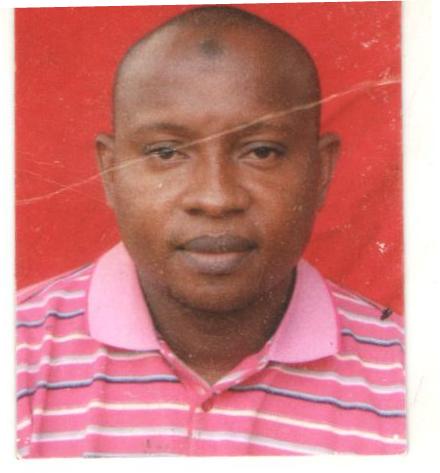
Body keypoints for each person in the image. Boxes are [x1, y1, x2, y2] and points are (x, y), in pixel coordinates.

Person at [16, 5, 405, 458]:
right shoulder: (18, 353)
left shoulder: (409, 375)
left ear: (321, 171)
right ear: (110, 172)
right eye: (166, 152)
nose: (216, 198)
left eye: (261, 152)